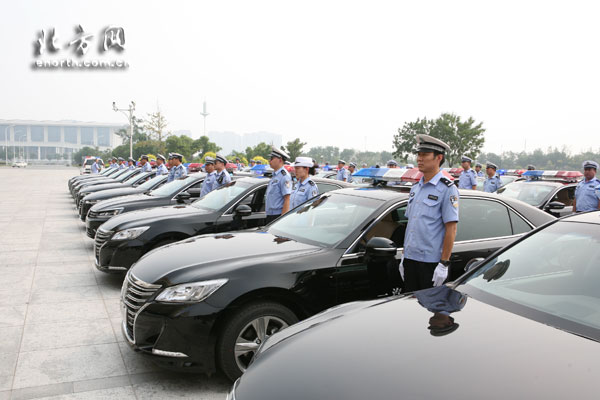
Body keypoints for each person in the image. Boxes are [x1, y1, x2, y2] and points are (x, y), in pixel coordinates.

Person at [400, 134, 459, 293]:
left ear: (438, 158)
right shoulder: (416, 188)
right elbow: (411, 225)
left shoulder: (447, 188)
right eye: (418, 155)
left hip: (431, 263)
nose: (420, 159)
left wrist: (443, 263)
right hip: (411, 260)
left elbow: (451, 228)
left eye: (425, 155)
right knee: (411, 311)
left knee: (431, 312)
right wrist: (405, 256)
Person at [266, 146, 292, 223]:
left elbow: (287, 199)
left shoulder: (284, 176)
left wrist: (282, 220)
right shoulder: (275, 175)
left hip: (277, 216)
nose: (269, 161)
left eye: (272, 158)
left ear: (280, 160)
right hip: (270, 214)